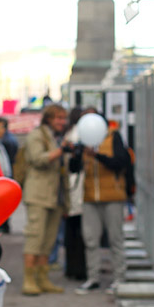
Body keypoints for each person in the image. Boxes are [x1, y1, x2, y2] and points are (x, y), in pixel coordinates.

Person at [74, 110, 131, 295]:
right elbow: (73, 168)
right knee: (90, 239)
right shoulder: (82, 141)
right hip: (90, 197)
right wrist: (76, 154)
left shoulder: (113, 138)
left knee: (115, 238)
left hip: (113, 196)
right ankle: (93, 278)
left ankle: (119, 277)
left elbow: (121, 162)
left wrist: (97, 155)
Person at [21, 104, 70, 295]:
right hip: (38, 195)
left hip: (55, 196)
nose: (62, 122)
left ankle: (43, 278)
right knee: (35, 237)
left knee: (48, 240)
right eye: (58, 118)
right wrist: (60, 151)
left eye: (63, 118)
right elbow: (37, 159)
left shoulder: (57, 137)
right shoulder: (37, 135)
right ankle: (29, 279)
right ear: (48, 118)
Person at [63, 107, 87, 280]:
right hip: (76, 188)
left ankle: (73, 267)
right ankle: (77, 268)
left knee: (72, 231)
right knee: (78, 232)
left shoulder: (69, 133)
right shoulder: (76, 134)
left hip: (73, 188)